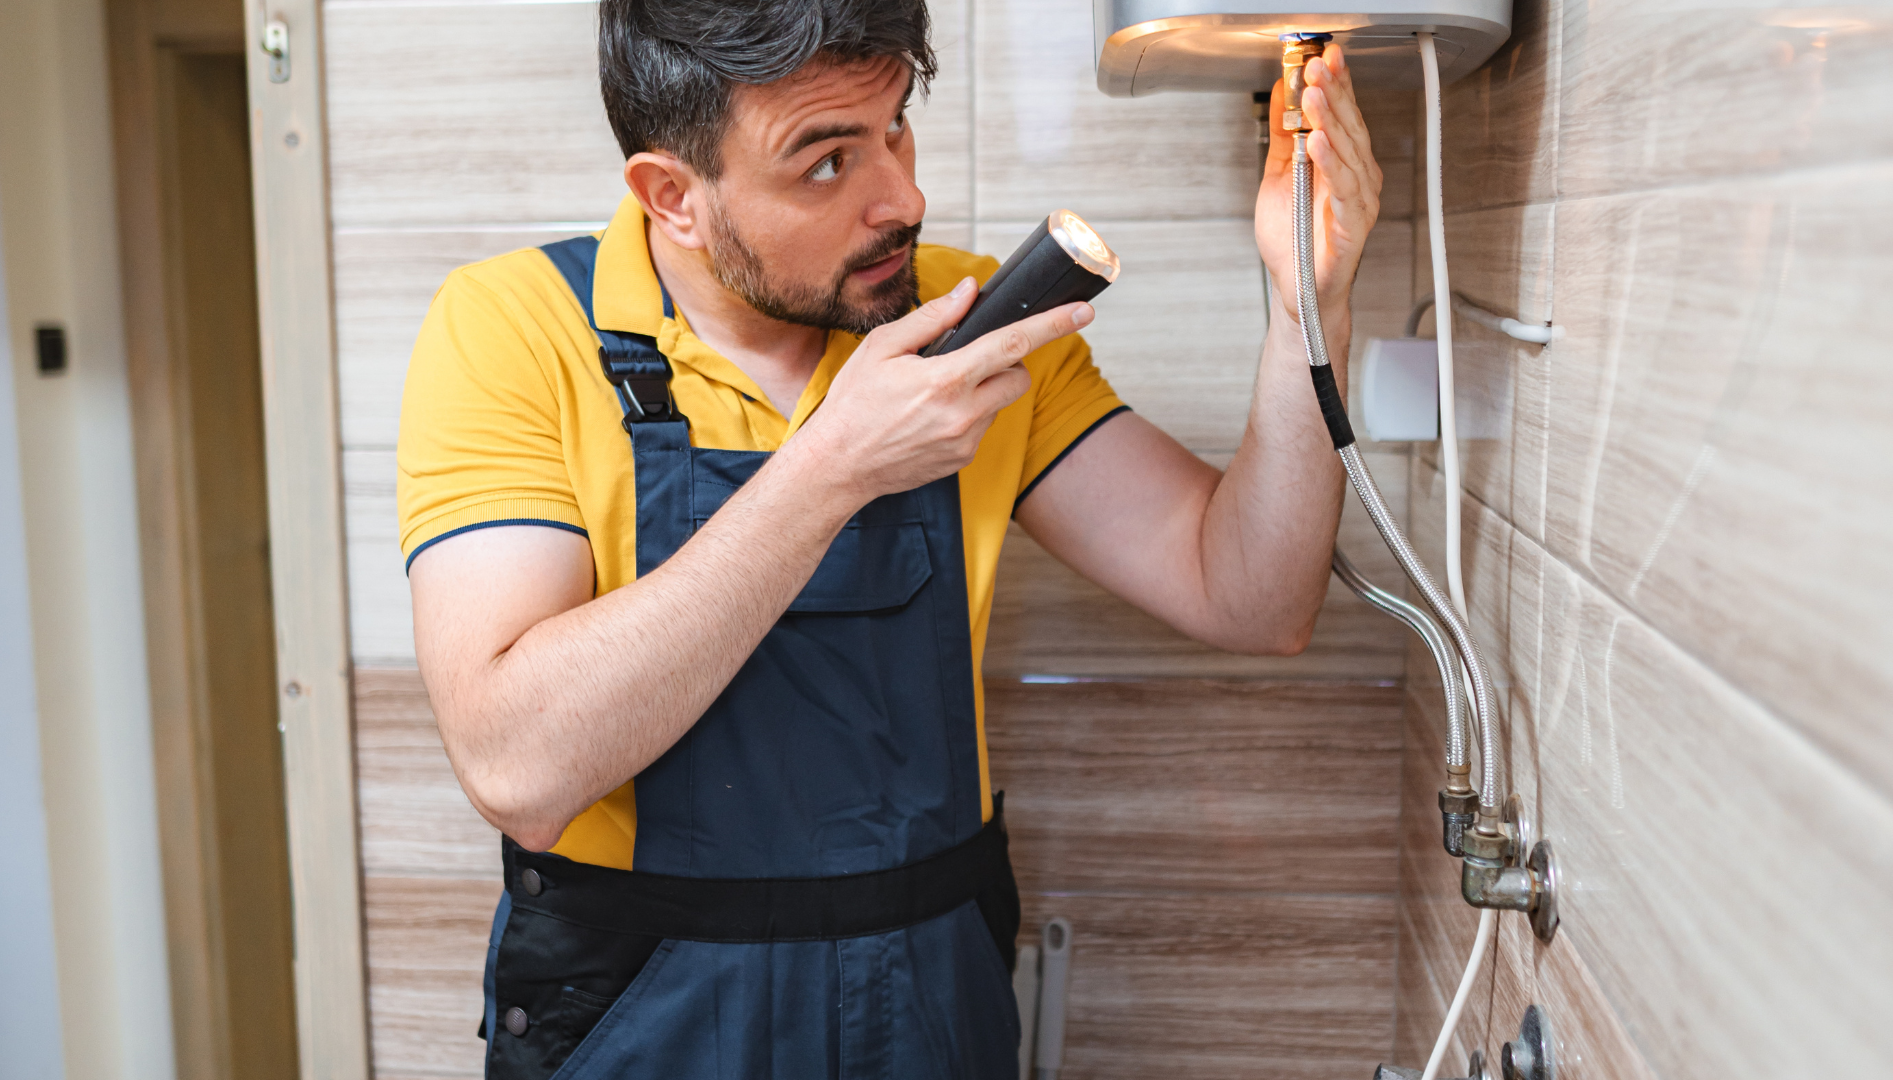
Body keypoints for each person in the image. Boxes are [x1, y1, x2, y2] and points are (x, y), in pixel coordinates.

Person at [398, 1, 1381, 1076]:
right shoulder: (511, 330)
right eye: (826, 164)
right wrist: (832, 467)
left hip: (929, 1001)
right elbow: (517, 765)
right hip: (644, 1010)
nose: (902, 200)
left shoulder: (975, 328)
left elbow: (1255, 597)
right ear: (672, 196)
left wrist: (1306, 308)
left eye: (896, 126)